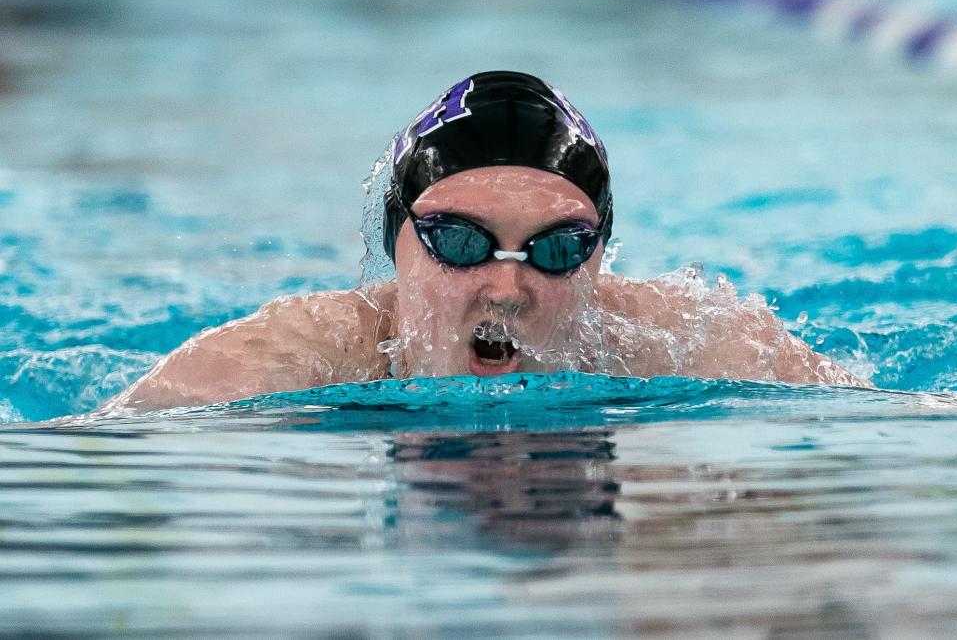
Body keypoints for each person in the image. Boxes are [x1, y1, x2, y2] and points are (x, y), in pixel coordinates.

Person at [105, 71, 867, 412]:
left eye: (557, 249)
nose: (507, 287)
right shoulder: (279, 362)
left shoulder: (691, 343)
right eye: (462, 243)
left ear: (598, 258)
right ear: (396, 248)